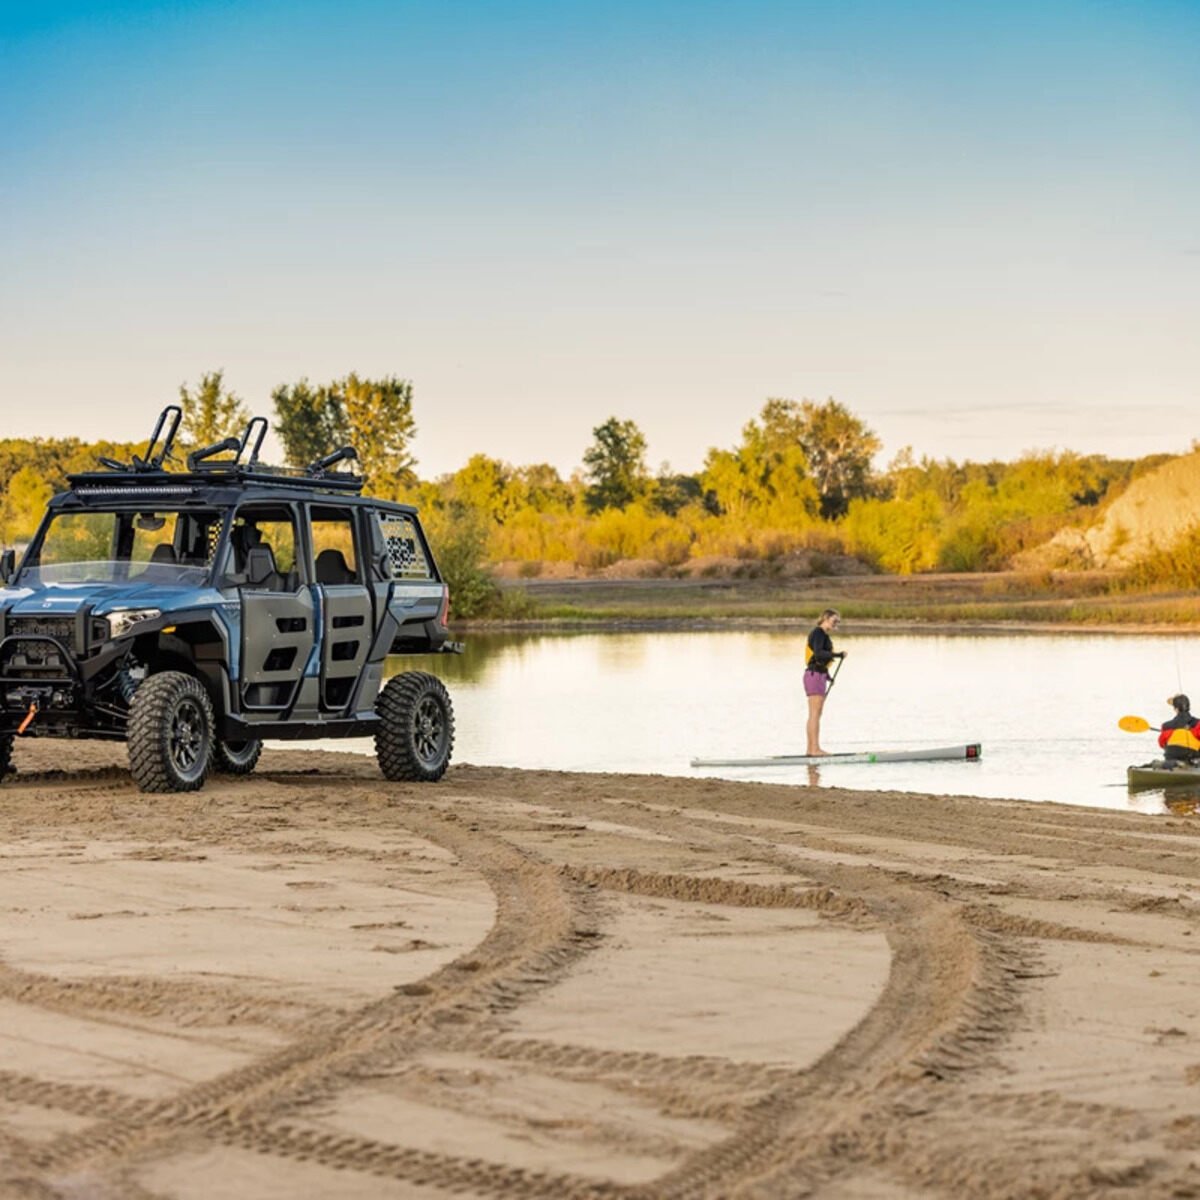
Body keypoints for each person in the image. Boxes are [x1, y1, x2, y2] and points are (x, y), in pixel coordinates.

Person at [805, 609, 846, 756]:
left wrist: (828, 677)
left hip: (818, 675)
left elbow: (819, 659)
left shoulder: (822, 635)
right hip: (814, 676)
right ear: (826, 618)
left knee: (815, 714)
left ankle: (811, 750)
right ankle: (815, 749)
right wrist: (838, 655)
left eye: (838, 622)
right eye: (834, 620)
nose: (836, 624)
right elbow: (818, 654)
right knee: (815, 714)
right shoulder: (818, 633)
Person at [1158, 694, 1200, 764]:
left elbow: (1161, 744)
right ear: (1189, 707)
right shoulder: (1198, 723)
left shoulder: (1166, 726)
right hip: (1193, 759)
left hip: (1171, 759)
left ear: (1176, 709)